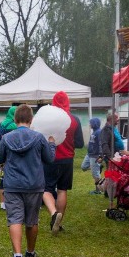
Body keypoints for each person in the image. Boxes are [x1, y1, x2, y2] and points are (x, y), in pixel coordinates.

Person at [0, 104, 57, 257]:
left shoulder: (7, 138)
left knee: (14, 218)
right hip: (34, 185)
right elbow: (50, 159)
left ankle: (17, 255)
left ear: (15, 120)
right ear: (31, 119)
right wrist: (51, 144)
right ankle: (30, 251)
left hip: (12, 185)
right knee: (32, 220)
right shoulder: (38, 138)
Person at [42, 91, 83, 235]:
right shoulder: (74, 119)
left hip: (50, 158)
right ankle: (58, 224)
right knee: (62, 190)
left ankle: (54, 214)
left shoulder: (47, 119)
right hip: (67, 159)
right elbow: (80, 143)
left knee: (45, 189)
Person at [0, 106, 18, 210]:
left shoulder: (0, 124)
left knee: (2, 180)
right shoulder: (14, 125)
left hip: (1, 156)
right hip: (11, 157)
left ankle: (2, 204)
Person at [81, 117, 103, 194]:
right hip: (89, 154)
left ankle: (98, 190)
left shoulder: (99, 132)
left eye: (91, 123)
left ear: (94, 124)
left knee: (95, 174)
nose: (89, 124)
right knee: (83, 167)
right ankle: (97, 167)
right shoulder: (94, 132)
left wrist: (100, 156)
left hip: (95, 155)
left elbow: (101, 145)